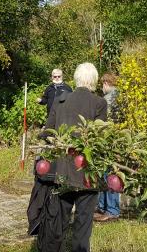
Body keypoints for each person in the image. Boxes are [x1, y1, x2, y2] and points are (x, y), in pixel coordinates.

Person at [38, 62, 107, 252]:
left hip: (62, 171)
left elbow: (46, 133)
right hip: (87, 172)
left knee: (58, 222)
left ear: (76, 80)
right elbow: (100, 139)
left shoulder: (60, 101)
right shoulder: (99, 103)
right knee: (83, 225)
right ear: (93, 81)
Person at [94, 73, 121, 222]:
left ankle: (111, 210)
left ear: (105, 83)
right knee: (107, 174)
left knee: (110, 175)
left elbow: (103, 124)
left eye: (102, 85)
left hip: (109, 143)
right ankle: (105, 207)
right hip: (116, 142)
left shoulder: (108, 100)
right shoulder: (122, 98)